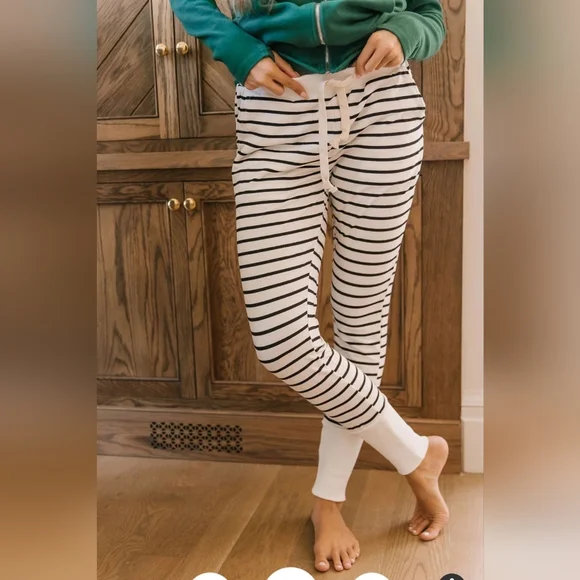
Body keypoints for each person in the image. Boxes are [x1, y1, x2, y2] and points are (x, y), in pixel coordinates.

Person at [171, 0, 449, 573]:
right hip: (275, 111)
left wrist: (404, 33)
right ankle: (417, 454)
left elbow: (430, 13)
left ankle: (328, 502)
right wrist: (238, 49)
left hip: (381, 110)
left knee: (361, 323)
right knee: (281, 340)